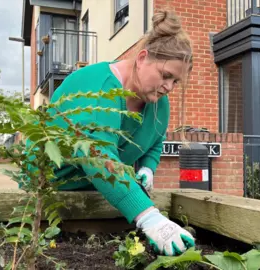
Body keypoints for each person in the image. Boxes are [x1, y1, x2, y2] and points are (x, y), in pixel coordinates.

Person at [38, 10, 195, 256]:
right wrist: (148, 216)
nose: (169, 87)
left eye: (176, 81)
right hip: (50, 199)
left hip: (102, 197)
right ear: (142, 58)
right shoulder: (99, 89)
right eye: (165, 75)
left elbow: (155, 139)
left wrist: (147, 168)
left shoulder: (157, 103)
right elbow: (97, 157)